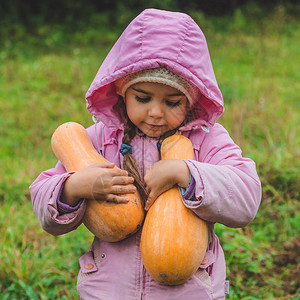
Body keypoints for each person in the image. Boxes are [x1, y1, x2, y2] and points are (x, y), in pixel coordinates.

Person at [30, 8, 261, 300]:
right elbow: (43, 208)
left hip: (187, 291)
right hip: (108, 290)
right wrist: (75, 187)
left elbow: (247, 198)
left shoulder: (206, 140)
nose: (155, 112)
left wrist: (186, 172)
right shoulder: (98, 140)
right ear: (120, 91)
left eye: (173, 102)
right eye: (142, 98)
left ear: (191, 101)